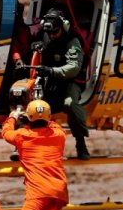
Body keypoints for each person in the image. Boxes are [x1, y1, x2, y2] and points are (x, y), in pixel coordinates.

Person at [2, 99, 68, 210]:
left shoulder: (23, 136)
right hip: (59, 192)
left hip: (39, 193)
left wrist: (13, 117)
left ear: (28, 118)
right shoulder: (59, 135)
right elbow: (53, 125)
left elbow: (6, 133)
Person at [21, 8, 90, 160]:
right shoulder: (44, 34)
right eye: (49, 33)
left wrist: (51, 71)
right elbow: (33, 47)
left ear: (63, 27)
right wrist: (35, 46)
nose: (52, 36)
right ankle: (24, 143)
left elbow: (73, 68)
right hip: (48, 79)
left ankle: (80, 142)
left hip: (69, 81)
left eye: (55, 32)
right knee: (30, 102)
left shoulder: (72, 40)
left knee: (70, 104)